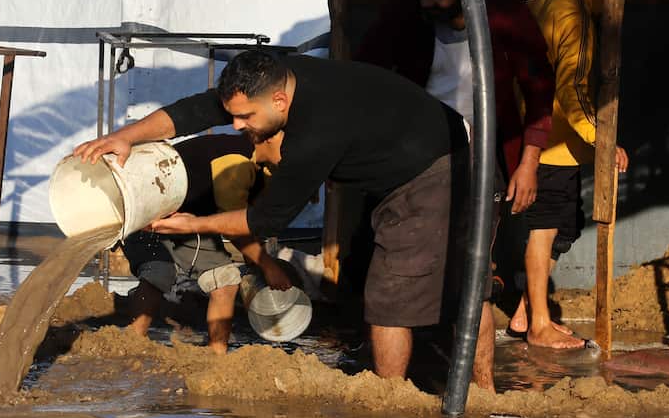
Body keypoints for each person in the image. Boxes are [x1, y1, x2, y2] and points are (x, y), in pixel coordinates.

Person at [74, 49, 465, 381]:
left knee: (389, 297)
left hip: (433, 167)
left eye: (246, 119)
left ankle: (390, 406)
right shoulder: (274, 79)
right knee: (428, 283)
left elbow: (261, 222)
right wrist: (126, 136)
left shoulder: (313, 136)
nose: (237, 126)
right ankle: (471, 385)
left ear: (279, 102)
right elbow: (195, 110)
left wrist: (194, 225)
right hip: (409, 153)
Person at [354, 0, 554, 389]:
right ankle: (396, 389)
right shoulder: (406, 11)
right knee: (399, 271)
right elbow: (365, 71)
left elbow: (539, 85)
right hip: (414, 157)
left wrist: (529, 161)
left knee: (473, 274)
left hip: (483, 155)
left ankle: (481, 388)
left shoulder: (502, 11)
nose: (425, 0)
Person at [508, 0, 629, 349]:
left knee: (563, 230)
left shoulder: (541, 0)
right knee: (545, 230)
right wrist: (602, 139)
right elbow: (572, 91)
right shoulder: (571, 15)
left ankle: (525, 313)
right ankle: (539, 325)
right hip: (553, 145)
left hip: (547, 139)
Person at [124, 131, 289, 355]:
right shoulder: (235, 161)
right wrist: (269, 266)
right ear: (269, 138)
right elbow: (234, 228)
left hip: (190, 221)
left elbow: (252, 218)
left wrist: (256, 257)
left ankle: (217, 357)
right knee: (158, 271)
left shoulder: (271, 167)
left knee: (226, 282)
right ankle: (129, 345)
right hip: (145, 207)